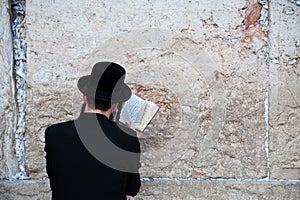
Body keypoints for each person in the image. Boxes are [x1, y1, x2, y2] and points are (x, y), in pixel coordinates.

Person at [44, 62, 141, 200]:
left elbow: (56, 178)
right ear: (115, 105)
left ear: (84, 96)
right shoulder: (127, 138)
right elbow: (131, 189)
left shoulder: (54, 134)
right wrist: (131, 138)